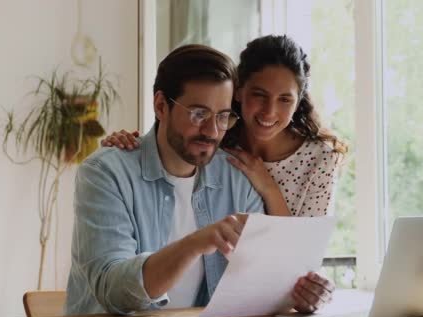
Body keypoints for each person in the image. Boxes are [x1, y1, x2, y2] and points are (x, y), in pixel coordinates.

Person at [66, 43, 334, 316]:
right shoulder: (106, 174)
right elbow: (114, 292)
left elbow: (264, 284)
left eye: (222, 116)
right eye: (198, 114)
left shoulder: (237, 178)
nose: (212, 131)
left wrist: (300, 292)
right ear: (161, 106)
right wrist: (194, 243)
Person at [102, 34, 348, 219]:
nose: (269, 111)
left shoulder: (320, 159)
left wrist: (269, 188)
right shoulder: (216, 137)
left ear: (298, 102)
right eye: (259, 95)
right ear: (239, 91)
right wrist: (128, 145)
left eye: (285, 99)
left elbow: (299, 255)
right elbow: (169, 139)